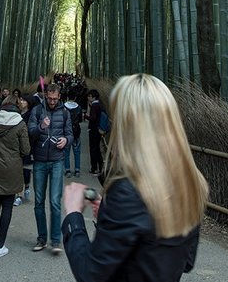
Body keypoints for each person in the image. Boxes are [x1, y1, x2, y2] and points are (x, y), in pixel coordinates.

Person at [61, 74, 206, 282]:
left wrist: (73, 216)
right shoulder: (190, 183)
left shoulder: (127, 191)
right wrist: (110, 215)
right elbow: (186, 261)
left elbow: (90, 275)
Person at [28, 83, 73, 255]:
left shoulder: (65, 112)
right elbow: (30, 131)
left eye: (55, 99)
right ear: (46, 95)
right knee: (39, 202)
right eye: (50, 98)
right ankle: (41, 238)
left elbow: (70, 134)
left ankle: (55, 240)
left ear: (59, 97)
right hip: (39, 160)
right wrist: (41, 127)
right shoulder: (37, 111)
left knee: (55, 202)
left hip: (57, 161)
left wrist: (66, 141)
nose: (52, 101)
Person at [0, 103, 31, 258]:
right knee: (8, 206)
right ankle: (0, 246)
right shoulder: (20, 124)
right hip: (11, 169)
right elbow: (26, 150)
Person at [15, 96, 33, 205]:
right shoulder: (16, 114)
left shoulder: (31, 115)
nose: (21, 102)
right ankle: (18, 196)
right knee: (17, 171)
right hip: (15, 146)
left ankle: (26, 186)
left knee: (25, 171)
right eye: (20, 100)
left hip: (27, 145)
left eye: (23, 100)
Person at [63, 98, 82, 177]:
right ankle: (77, 170)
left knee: (66, 152)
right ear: (75, 98)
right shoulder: (79, 107)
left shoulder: (63, 107)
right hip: (76, 132)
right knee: (77, 152)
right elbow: (80, 120)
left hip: (66, 132)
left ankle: (67, 170)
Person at [86, 89, 104, 175]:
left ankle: (94, 168)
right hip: (98, 130)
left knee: (93, 149)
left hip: (94, 130)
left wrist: (85, 116)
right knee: (97, 149)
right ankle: (100, 167)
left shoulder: (94, 105)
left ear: (94, 97)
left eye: (90, 96)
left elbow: (93, 118)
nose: (88, 98)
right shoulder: (99, 104)